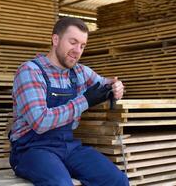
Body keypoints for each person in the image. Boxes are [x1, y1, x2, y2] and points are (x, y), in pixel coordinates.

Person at [9, 17, 129, 186]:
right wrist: (85, 101)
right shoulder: (30, 71)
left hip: (67, 145)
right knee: (61, 184)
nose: (77, 50)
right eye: (73, 42)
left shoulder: (79, 72)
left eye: (82, 46)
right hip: (31, 149)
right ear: (55, 39)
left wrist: (116, 87)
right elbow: (40, 121)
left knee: (116, 180)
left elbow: (106, 82)